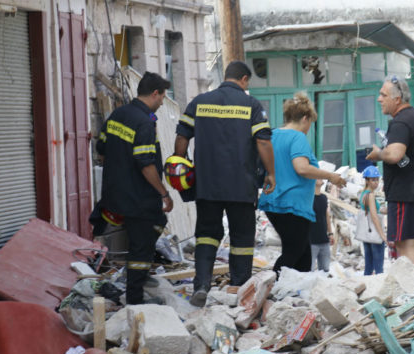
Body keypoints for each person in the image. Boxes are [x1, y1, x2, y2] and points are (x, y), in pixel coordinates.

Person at [173, 61, 277, 307]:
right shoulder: (251, 105)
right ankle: (240, 288)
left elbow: (181, 137)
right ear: (243, 79)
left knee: (207, 235)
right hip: (241, 185)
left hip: (207, 184)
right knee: (242, 237)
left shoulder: (199, 102)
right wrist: (271, 174)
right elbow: (263, 142)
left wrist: (182, 164)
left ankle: (201, 284)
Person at [92, 71, 173, 305]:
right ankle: (135, 300)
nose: (161, 102)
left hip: (115, 193)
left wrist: (119, 169)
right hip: (138, 197)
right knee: (141, 245)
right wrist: (164, 193)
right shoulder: (144, 122)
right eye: (162, 97)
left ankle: (140, 275)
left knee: (153, 228)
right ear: (155, 94)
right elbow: (146, 164)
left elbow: (102, 148)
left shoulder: (118, 114)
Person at [258, 92, 346, 274]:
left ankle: (297, 293)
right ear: (305, 119)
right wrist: (331, 176)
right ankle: (272, 286)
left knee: (304, 253)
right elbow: (302, 168)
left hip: (273, 202)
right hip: (292, 204)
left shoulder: (272, 135)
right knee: (294, 251)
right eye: (310, 124)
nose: (308, 129)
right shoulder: (297, 137)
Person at [366, 75, 414, 274]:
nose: (379, 99)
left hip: (407, 192)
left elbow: (395, 154)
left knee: (405, 245)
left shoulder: (400, 122)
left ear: (397, 99)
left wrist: (378, 154)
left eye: (383, 95)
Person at [360, 166, 387, 275]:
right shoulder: (370, 195)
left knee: (369, 265)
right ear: (367, 180)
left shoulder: (363, 194)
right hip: (375, 234)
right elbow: (374, 216)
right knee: (379, 267)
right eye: (373, 180)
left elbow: (376, 209)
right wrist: (383, 235)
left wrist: (387, 210)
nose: (376, 183)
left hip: (367, 233)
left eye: (377, 179)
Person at [309, 179, 335, 272]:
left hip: (324, 240)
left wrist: (330, 233)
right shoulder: (308, 198)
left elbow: (326, 216)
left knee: (325, 270)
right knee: (309, 271)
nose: (320, 178)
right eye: (317, 177)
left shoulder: (324, 197)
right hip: (311, 241)